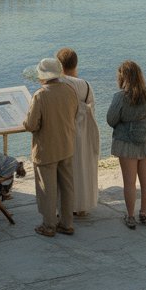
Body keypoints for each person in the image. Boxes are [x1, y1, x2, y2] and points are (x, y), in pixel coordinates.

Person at [22, 57, 78, 238]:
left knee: (47, 188)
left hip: (46, 148)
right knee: (67, 186)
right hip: (67, 145)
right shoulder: (70, 90)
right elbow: (75, 113)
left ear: (43, 75)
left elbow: (31, 125)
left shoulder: (40, 95)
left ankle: (48, 225)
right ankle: (67, 223)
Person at [106, 60, 146, 229]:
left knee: (129, 182)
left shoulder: (120, 97)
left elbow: (111, 119)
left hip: (126, 142)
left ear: (122, 77)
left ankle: (130, 216)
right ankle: (144, 212)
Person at [57, 47, 100, 217]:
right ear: (76, 63)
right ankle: (82, 206)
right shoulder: (86, 85)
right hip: (83, 134)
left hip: (63, 133)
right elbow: (92, 110)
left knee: (64, 172)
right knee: (83, 169)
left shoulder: (58, 84)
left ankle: (63, 207)